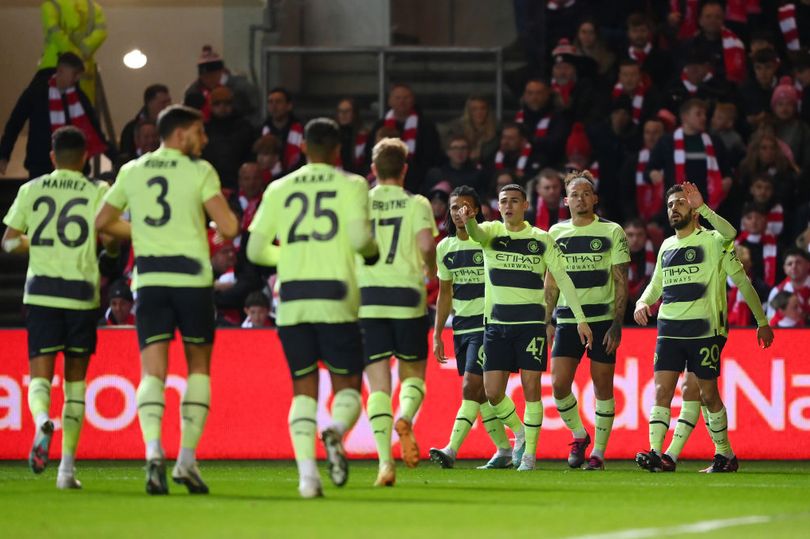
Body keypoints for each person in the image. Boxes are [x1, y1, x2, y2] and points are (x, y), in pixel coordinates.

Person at [95, 105, 239, 495]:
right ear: (180, 135)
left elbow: (102, 222)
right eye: (199, 132)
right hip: (191, 279)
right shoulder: (200, 170)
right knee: (198, 370)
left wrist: (140, 229)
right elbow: (228, 226)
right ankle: (187, 460)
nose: (204, 139)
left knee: (152, 372)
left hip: (152, 280)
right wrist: (209, 225)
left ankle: (154, 453)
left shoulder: (131, 170)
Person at [246, 118, 379, 498]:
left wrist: (289, 255)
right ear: (338, 151)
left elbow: (255, 251)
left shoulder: (279, 187)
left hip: (293, 301)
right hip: (336, 299)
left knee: (303, 390)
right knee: (348, 386)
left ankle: (307, 478)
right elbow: (359, 240)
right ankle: (335, 430)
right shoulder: (352, 184)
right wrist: (371, 252)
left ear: (302, 147)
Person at [2, 126, 117, 489]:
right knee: (76, 384)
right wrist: (109, 250)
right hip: (81, 294)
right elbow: (112, 241)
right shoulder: (99, 191)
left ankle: (40, 423)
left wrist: (33, 244)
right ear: (84, 158)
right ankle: (67, 471)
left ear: (52, 157)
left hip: (41, 294)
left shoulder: (30, 189)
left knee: (40, 376)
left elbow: (6, 245)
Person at [633, 184, 774, 473]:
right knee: (663, 390)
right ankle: (657, 453)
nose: (674, 208)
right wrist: (642, 302)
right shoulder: (666, 246)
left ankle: (723, 454)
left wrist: (762, 322)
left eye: (680, 204)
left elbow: (735, 248)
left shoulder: (712, 241)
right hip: (669, 329)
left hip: (705, 330)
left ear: (694, 210)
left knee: (705, 394)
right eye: (670, 204)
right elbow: (656, 283)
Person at [458, 183, 593, 472]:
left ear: (525, 205)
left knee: (532, 389)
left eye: (514, 201)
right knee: (492, 392)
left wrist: (580, 318)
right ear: (498, 205)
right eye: (504, 201)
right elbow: (476, 233)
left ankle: (529, 455)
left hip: (530, 326)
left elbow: (563, 278)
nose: (509, 206)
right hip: (496, 325)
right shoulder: (492, 232)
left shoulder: (541, 238)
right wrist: (470, 219)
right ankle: (519, 433)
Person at [358, 137, 437, 486]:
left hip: (368, 299)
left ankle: (384, 463)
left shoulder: (360, 201)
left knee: (377, 384)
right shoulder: (416, 203)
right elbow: (425, 245)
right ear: (405, 169)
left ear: (373, 170)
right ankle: (405, 416)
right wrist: (431, 271)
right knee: (413, 375)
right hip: (407, 297)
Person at [545, 170, 629, 471]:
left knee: (603, 386)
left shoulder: (612, 232)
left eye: (586, 193)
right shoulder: (555, 233)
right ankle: (580, 436)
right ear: (566, 200)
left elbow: (621, 281)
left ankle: (599, 454)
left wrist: (617, 324)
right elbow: (551, 282)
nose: (580, 199)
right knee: (558, 385)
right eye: (574, 194)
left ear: (595, 199)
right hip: (568, 320)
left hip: (602, 320)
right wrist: (547, 320)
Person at [428, 186, 513, 470]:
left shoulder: (485, 240)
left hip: (487, 324)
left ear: (475, 211)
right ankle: (504, 449)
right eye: (454, 207)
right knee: (479, 394)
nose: (459, 212)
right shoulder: (445, 248)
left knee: (470, 387)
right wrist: (439, 332)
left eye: (465, 207)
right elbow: (444, 293)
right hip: (461, 327)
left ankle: (451, 449)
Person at [0, 52, 108, 179]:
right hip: (41, 165)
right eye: (74, 74)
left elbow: (95, 130)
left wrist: (116, 157)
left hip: (74, 167)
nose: (76, 79)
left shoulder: (80, 97)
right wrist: (3, 155)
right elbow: (15, 123)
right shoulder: (36, 92)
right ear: (61, 71)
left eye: (78, 75)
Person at [365, 84, 444, 193]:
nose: (402, 101)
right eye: (398, 98)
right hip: (385, 174)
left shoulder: (425, 126)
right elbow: (370, 153)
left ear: (413, 100)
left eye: (406, 98)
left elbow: (431, 156)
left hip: (418, 178)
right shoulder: (380, 125)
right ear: (390, 101)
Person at [37, 0, 107, 104]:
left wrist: (71, 53)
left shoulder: (50, 6)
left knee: (52, 108)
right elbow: (101, 33)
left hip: (54, 66)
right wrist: (81, 52)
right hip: (84, 67)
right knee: (83, 109)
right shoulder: (95, 9)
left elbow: (54, 31)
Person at [260, 87, 305, 176]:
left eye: (278, 102)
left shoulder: (302, 131)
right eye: (270, 102)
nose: (274, 106)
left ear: (289, 106)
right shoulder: (261, 131)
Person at [120, 84, 172, 159]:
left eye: (169, 102)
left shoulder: (173, 128)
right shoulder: (131, 129)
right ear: (150, 104)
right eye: (163, 103)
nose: (168, 106)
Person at [767, 248, 810, 322]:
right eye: (790, 264)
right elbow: (770, 321)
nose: (794, 266)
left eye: (798, 262)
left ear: (808, 265)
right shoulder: (777, 292)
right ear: (784, 268)